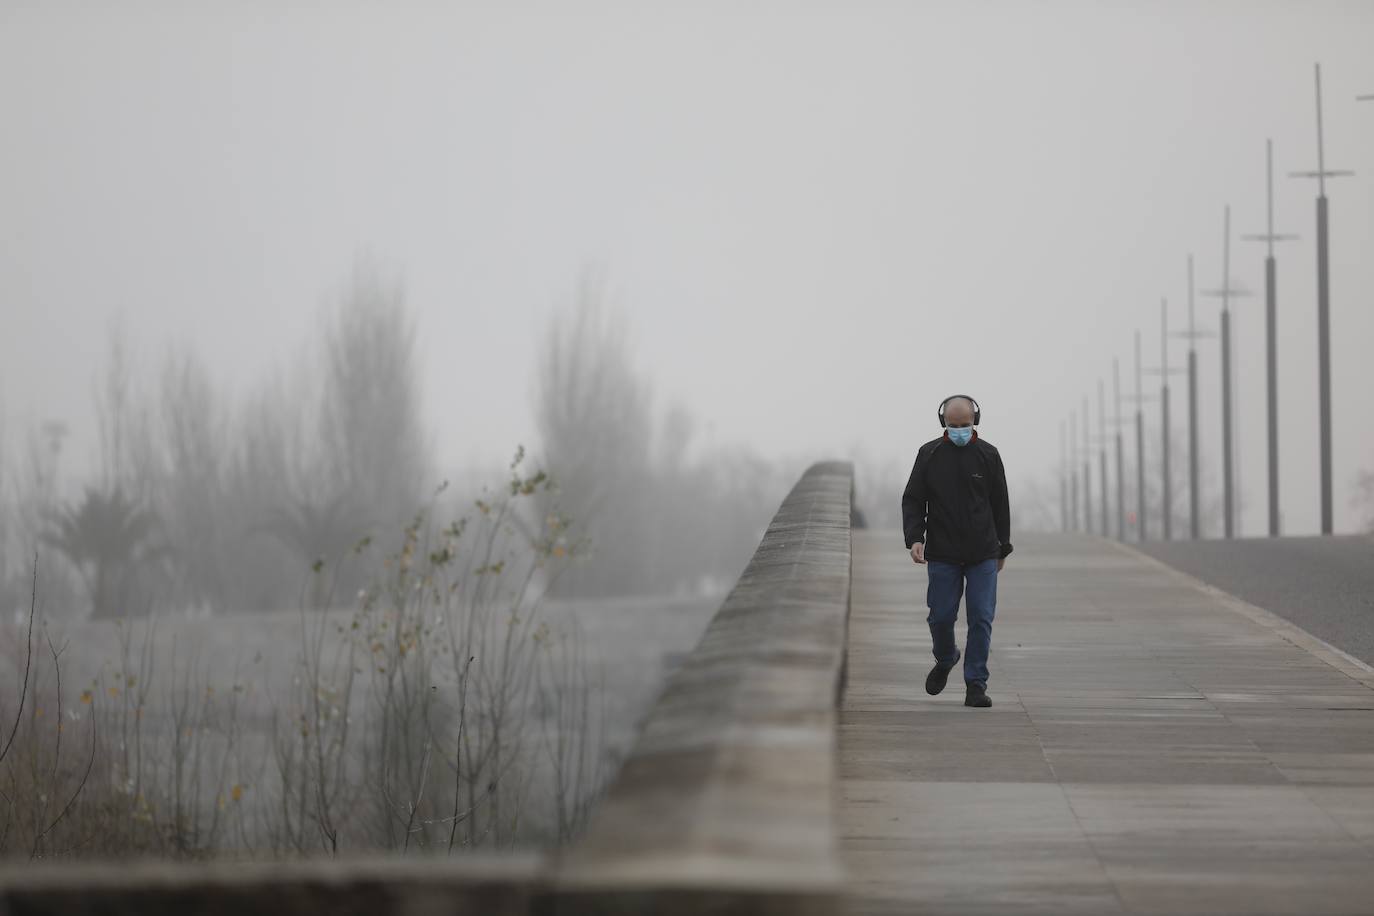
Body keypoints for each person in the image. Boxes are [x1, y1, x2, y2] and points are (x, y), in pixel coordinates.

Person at [901, 395, 1012, 708]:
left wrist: (1003, 547)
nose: (960, 431)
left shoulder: (989, 455)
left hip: (983, 553)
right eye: (954, 426)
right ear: (943, 424)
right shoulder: (929, 454)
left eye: (965, 425)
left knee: (981, 618)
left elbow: (1000, 504)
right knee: (940, 617)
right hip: (943, 552)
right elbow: (912, 500)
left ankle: (976, 684)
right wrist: (915, 538)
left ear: (975, 421)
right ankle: (946, 657)